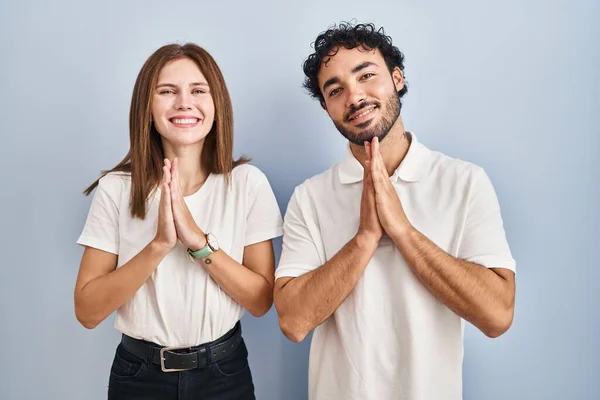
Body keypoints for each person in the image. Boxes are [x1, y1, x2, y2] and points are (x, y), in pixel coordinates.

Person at [273, 22, 516, 400]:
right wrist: (365, 238)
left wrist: (403, 231)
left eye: (367, 75)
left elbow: (497, 315)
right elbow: (293, 321)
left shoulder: (464, 181)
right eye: (335, 90)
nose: (354, 97)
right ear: (327, 108)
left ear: (397, 78)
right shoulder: (310, 197)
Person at [74, 43, 283, 400]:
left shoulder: (248, 183)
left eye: (198, 91)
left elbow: (262, 301)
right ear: (147, 107)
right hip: (139, 376)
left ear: (217, 106)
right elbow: (88, 311)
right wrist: (158, 247)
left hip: (224, 372)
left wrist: (198, 242)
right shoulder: (115, 190)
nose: (184, 103)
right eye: (167, 91)